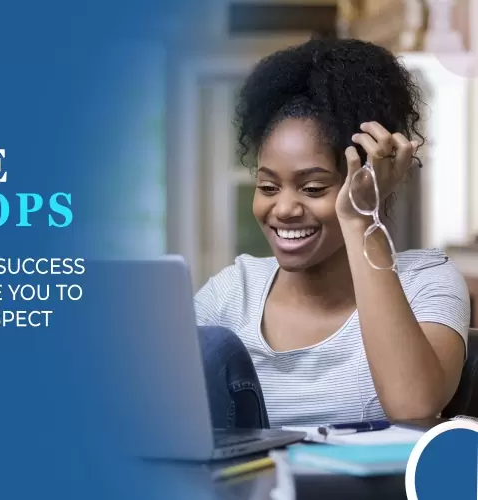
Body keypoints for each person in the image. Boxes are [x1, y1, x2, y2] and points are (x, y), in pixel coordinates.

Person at [194, 38, 470, 429]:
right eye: (268, 187)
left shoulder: (427, 282)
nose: (285, 209)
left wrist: (361, 217)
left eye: (313, 188)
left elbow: (413, 408)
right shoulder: (231, 293)